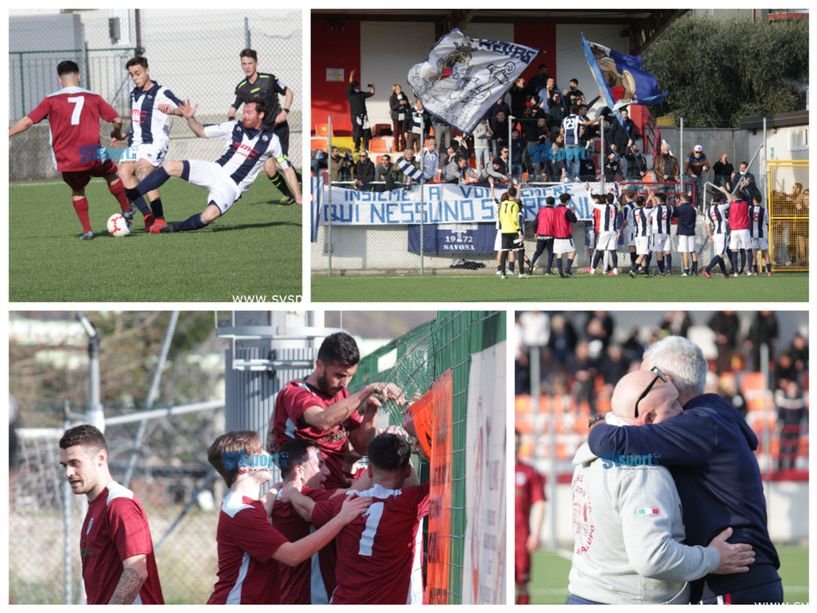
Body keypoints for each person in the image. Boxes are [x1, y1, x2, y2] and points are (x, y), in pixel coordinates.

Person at [588, 336, 784, 604]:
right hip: (739, 580)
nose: (641, 381)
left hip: (731, 580)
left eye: (647, 375)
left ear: (666, 378)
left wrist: (598, 422)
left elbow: (611, 443)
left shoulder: (698, 424)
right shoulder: (710, 418)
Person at [569, 371, 755, 604]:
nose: (682, 411)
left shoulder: (589, 458)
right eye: (673, 405)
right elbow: (652, 557)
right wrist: (713, 558)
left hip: (586, 594)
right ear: (648, 419)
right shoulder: (642, 471)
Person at [206, 430, 371, 604]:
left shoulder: (243, 504)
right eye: (258, 452)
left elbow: (262, 510)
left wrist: (278, 488)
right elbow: (292, 555)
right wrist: (341, 518)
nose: (266, 455)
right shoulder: (242, 512)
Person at [286, 432, 429, 604]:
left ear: (368, 471)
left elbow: (309, 511)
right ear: (407, 471)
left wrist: (292, 491)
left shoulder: (347, 501)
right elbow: (444, 476)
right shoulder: (411, 502)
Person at [125, 98, 291, 233]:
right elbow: (201, 131)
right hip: (214, 170)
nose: (245, 115)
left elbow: (286, 166)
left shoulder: (271, 140)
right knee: (171, 166)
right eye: (244, 111)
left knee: (208, 216)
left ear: (260, 115)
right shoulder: (235, 127)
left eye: (249, 112)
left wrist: (298, 196)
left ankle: (173, 228)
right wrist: (189, 117)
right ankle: (132, 195)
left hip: (231, 187)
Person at [9, 60, 132, 239]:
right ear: (79, 76)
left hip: (67, 157)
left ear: (60, 80)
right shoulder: (94, 97)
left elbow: (28, 121)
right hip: (93, 152)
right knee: (111, 175)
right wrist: (116, 132)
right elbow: (118, 120)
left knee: (78, 190)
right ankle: (127, 209)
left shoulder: (50, 100)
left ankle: (87, 230)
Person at [270, 331, 405, 489]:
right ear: (319, 366)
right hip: (307, 492)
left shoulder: (341, 394)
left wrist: (371, 409)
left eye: (350, 376)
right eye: (340, 375)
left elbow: (361, 447)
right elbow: (322, 420)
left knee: (400, 474)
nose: (345, 383)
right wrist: (367, 390)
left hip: (338, 486)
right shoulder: (295, 393)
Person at [58, 424, 164, 604]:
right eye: (64, 465)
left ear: (100, 458)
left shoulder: (119, 504)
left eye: (75, 463)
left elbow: (136, 571)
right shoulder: (96, 505)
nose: (68, 472)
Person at [115, 56, 184, 233]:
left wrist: (174, 111)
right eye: (131, 75)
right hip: (136, 144)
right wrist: (124, 135)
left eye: (138, 73)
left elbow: (183, 109)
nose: (135, 77)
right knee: (122, 172)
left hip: (155, 143)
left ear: (147, 71)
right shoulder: (133, 94)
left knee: (144, 172)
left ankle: (159, 218)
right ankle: (147, 216)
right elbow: (136, 121)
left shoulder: (161, 92)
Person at [228, 48, 301, 205]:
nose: (247, 67)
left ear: (256, 63)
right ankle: (289, 195)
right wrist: (232, 122)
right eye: (244, 64)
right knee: (269, 169)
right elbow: (232, 109)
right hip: (262, 133)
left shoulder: (269, 79)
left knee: (281, 164)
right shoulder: (241, 88)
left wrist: (285, 111)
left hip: (278, 128)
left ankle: (300, 181)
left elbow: (289, 92)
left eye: (250, 63)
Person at [271, 439, 339, 604]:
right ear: (299, 470)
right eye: (320, 464)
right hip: (312, 599)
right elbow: (359, 492)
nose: (327, 472)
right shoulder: (306, 495)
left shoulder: (274, 497)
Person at [515, 431, 545, 604]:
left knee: (522, 585)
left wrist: (536, 534)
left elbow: (539, 502)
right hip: (499, 537)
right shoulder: (495, 469)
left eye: (517, 442)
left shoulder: (529, 472)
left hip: (521, 538)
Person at [492, 180, 527, 278]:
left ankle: (503, 273)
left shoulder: (502, 204)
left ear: (508, 194)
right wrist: (519, 232)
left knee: (504, 251)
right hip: (513, 230)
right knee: (520, 250)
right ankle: (521, 273)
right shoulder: (515, 205)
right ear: (515, 195)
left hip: (504, 231)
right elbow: (515, 220)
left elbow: (502, 217)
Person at [717, 184, 753, 276]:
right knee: (748, 249)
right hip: (744, 229)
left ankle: (736, 272)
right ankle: (749, 270)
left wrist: (725, 190)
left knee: (734, 251)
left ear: (735, 197)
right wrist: (742, 188)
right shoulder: (745, 204)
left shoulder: (731, 205)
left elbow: (730, 199)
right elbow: (749, 198)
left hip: (734, 231)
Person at [702, 192, 731, 279]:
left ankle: (726, 274)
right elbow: (731, 200)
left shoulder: (708, 210)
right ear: (721, 200)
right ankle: (707, 269)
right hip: (722, 233)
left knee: (719, 255)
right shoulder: (721, 207)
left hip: (715, 234)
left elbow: (707, 224)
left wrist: (710, 235)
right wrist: (725, 191)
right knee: (721, 255)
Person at [590, 192, 621, 276]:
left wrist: (588, 191)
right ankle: (615, 270)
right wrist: (614, 194)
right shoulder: (615, 206)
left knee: (599, 250)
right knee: (613, 251)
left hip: (605, 231)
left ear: (606, 200)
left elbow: (592, 202)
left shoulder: (604, 207)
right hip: (613, 232)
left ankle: (593, 269)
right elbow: (616, 202)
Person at [347, 69, 374, 152]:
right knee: (357, 131)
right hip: (355, 116)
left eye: (358, 87)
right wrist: (351, 75)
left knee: (366, 131)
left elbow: (372, 93)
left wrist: (373, 87)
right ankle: (357, 146)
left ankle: (366, 146)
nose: (357, 88)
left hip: (364, 116)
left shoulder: (362, 94)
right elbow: (351, 84)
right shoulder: (351, 94)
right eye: (356, 87)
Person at [552, 192, 578, 278]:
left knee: (559, 254)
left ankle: (561, 272)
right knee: (573, 251)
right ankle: (567, 270)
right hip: (565, 234)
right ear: (567, 201)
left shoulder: (554, 209)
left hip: (556, 235)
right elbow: (574, 220)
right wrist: (573, 212)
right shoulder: (566, 210)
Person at [674, 192, 698, 276]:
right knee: (692, 251)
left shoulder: (680, 208)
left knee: (684, 252)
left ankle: (686, 270)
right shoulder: (693, 209)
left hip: (683, 232)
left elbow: (674, 214)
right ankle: (695, 270)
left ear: (682, 199)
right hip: (691, 231)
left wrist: (677, 203)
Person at [649, 192, 673, 275]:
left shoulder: (655, 209)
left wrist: (651, 198)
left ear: (658, 200)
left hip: (657, 232)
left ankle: (662, 271)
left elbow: (650, 218)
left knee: (658, 251)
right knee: (667, 251)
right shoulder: (670, 208)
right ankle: (669, 270)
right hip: (667, 232)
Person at [530, 196, 555, 275]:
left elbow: (535, 222)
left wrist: (535, 232)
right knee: (551, 253)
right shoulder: (555, 211)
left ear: (546, 202)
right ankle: (548, 270)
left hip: (540, 234)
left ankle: (531, 265)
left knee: (538, 251)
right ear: (553, 203)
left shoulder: (541, 210)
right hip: (550, 234)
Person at [629, 196, 652, 277]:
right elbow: (655, 206)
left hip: (637, 235)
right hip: (644, 235)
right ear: (643, 203)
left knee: (642, 254)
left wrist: (647, 199)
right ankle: (633, 269)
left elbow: (643, 208)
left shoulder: (634, 210)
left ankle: (646, 272)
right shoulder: (645, 210)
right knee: (643, 254)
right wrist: (651, 197)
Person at [749, 194, 772, 276]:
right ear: (760, 201)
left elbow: (748, 220)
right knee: (765, 252)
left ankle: (756, 272)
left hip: (753, 234)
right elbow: (767, 222)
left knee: (754, 253)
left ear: (753, 200)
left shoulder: (750, 209)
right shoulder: (764, 210)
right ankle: (769, 271)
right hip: (762, 234)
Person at [389, 84, 409, 151]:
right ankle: (396, 147)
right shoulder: (392, 97)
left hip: (403, 115)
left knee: (403, 131)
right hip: (396, 116)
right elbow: (393, 107)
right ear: (394, 90)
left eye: (399, 88)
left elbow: (408, 107)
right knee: (396, 132)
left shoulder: (404, 96)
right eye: (397, 88)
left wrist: (405, 103)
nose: (399, 90)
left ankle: (404, 147)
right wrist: (399, 103)